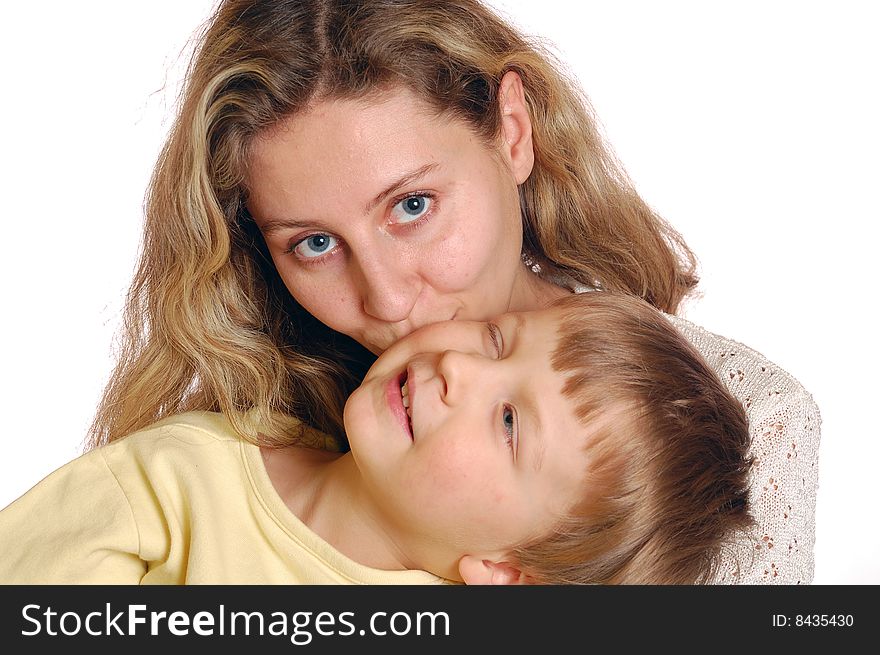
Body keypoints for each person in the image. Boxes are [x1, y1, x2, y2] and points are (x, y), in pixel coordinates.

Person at [71, 0, 819, 582]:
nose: (389, 301)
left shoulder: (756, 422)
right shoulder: (229, 449)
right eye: (316, 244)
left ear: (514, 133)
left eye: (413, 206)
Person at [0, 293, 753, 585]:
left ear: (504, 568)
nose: (457, 366)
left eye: (510, 421)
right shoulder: (185, 479)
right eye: (495, 337)